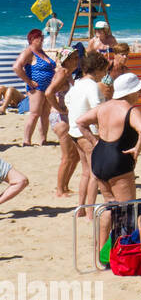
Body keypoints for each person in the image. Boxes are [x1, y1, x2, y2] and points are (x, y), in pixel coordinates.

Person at [77, 72, 141, 247]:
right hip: (119, 159)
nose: (140, 94)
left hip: (100, 157)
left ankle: (102, 247)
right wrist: (137, 149)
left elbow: (80, 121)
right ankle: (124, 248)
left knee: (109, 206)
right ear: (130, 92)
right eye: (138, 90)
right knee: (126, 208)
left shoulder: (104, 106)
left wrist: (94, 141)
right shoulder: (130, 110)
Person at [66, 51, 108, 217]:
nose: (104, 74)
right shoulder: (92, 86)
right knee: (94, 173)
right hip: (87, 133)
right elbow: (98, 108)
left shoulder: (78, 83)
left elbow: (67, 101)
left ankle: (81, 208)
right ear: (97, 69)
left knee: (85, 171)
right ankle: (90, 211)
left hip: (74, 131)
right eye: (104, 70)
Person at [47, 48, 83, 197]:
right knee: (67, 156)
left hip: (65, 117)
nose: (77, 59)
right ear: (66, 59)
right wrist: (58, 108)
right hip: (60, 119)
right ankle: (60, 190)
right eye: (74, 57)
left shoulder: (67, 73)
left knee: (76, 156)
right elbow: (48, 92)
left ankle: (65, 186)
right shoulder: (62, 73)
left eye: (76, 56)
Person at [12, 28, 57, 145]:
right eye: (39, 38)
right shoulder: (29, 51)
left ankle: (43, 139)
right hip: (36, 88)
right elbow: (17, 67)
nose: (42, 39)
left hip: (48, 88)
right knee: (35, 113)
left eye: (42, 37)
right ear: (32, 39)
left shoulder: (41, 51)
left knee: (45, 114)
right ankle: (27, 141)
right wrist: (29, 81)